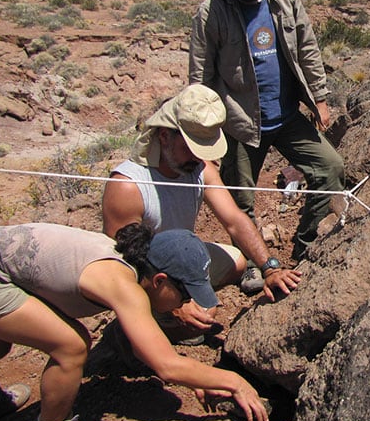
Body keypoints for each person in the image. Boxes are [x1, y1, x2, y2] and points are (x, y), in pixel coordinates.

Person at [0, 222, 269, 421]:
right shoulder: (123, 285)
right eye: (184, 293)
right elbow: (165, 365)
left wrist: (196, 379)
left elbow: (150, 345)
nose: (187, 302)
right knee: (72, 344)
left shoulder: (129, 261)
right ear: (159, 280)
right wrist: (233, 381)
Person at [189, 0, 345, 261]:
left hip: (287, 115)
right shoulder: (211, 12)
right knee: (242, 201)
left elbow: (307, 49)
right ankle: (251, 263)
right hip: (241, 123)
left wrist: (319, 97)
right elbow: (199, 79)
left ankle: (307, 244)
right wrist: (202, 134)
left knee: (329, 168)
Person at [101, 85, 302, 339]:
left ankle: (171, 311)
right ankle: (150, 319)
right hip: (146, 274)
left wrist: (270, 267)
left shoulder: (198, 168)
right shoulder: (128, 186)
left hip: (180, 260)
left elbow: (234, 220)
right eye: (191, 146)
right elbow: (121, 265)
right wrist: (176, 307)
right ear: (164, 136)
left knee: (236, 262)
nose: (198, 157)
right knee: (192, 318)